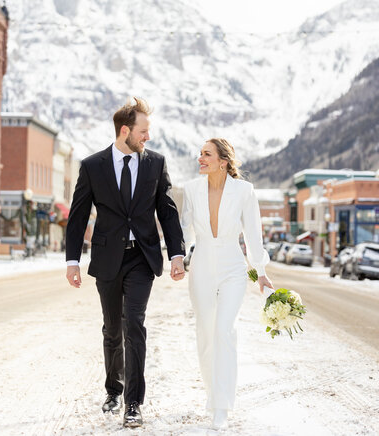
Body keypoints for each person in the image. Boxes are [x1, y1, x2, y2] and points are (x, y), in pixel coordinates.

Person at [65, 97, 186, 428]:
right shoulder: (92, 166)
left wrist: (177, 253)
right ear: (125, 131)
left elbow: (168, 211)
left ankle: (134, 402)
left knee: (134, 323)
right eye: (143, 131)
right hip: (106, 257)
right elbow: (77, 217)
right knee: (112, 328)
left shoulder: (155, 164)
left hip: (142, 258)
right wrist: (72, 260)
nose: (147, 137)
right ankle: (113, 390)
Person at [179, 138, 273, 430]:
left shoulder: (244, 191)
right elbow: (184, 230)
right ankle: (212, 393)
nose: (200, 158)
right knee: (206, 333)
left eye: (206, 154)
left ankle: (222, 405)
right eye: (200, 154)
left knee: (224, 330)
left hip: (233, 266)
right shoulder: (192, 190)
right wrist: (177, 258)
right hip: (202, 265)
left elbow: (254, 234)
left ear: (223, 160)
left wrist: (260, 271)